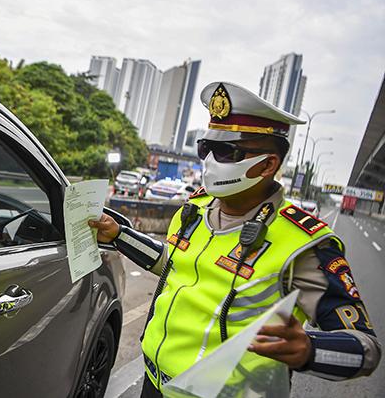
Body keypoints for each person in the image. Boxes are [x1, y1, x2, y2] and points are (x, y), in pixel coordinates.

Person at [90, 82, 380, 397]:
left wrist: (310, 349)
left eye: (228, 151)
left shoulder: (304, 245)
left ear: (269, 164)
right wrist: (119, 235)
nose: (210, 161)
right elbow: (171, 264)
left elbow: (366, 349)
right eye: (206, 148)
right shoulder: (194, 211)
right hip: (155, 383)